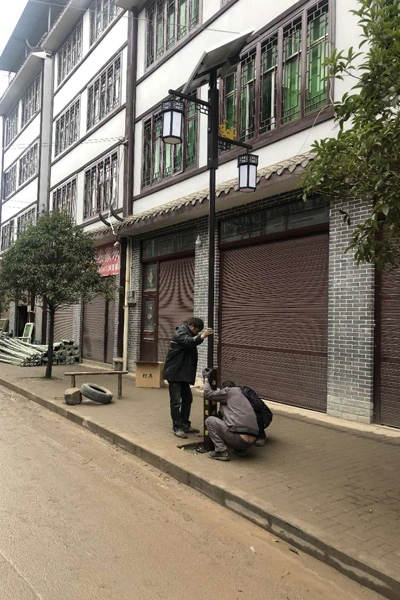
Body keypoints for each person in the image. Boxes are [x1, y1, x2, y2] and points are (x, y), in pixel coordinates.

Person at [164, 318, 213, 439]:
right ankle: (177, 427)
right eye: (197, 330)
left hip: (182, 374)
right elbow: (189, 341)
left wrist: (200, 337)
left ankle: (185, 424)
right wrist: (203, 336)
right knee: (176, 402)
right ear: (191, 326)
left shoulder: (187, 333)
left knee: (187, 399)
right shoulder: (181, 333)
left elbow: (192, 341)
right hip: (175, 373)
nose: (197, 333)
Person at [204, 379, 259, 461]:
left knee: (210, 421)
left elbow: (208, 394)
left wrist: (206, 380)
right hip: (252, 441)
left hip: (238, 439)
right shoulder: (242, 396)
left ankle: (221, 451)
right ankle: (240, 450)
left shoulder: (229, 391)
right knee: (235, 423)